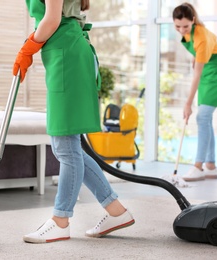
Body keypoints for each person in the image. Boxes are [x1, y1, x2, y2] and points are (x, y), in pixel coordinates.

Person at [13, 0, 134, 243]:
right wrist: (33, 42)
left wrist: (29, 47)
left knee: (65, 147)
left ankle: (61, 220)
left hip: (67, 54)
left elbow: (52, 19)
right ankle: (116, 211)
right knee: (69, 147)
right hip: (63, 51)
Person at [172, 3, 217, 181]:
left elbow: (196, 74)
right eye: (177, 26)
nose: (182, 30)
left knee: (202, 117)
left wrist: (188, 103)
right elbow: (197, 55)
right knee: (206, 118)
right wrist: (195, 58)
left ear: (193, 21)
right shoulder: (191, 32)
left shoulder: (202, 37)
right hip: (207, 71)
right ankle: (211, 166)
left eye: (185, 26)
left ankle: (198, 166)